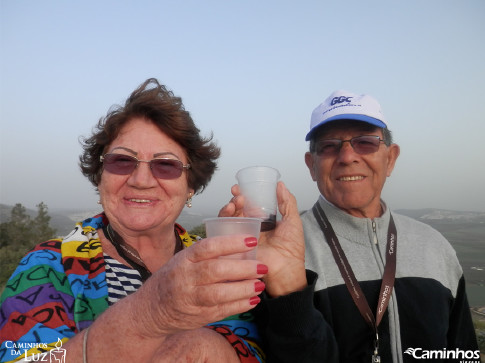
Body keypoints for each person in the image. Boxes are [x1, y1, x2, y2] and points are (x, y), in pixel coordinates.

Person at [0, 78, 268, 363]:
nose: (141, 180)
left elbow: (255, 348)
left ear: (191, 186)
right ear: (100, 176)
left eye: (165, 164)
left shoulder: (219, 263)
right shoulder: (48, 265)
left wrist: (211, 348)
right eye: (122, 161)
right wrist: (146, 316)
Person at [222, 90, 479, 362]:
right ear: (312, 165)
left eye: (365, 142)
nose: (347, 156)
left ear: (390, 158)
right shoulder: (273, 255)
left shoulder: (435, 247)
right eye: (329, 146)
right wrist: (289, 292)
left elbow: (462, 351)